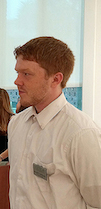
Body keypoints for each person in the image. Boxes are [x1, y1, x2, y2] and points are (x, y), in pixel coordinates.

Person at [8, 37, 101, 208]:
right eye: (17, 73)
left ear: (56, 79)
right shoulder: (16, 124)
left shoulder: (82, 134)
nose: (17, 81)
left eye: (26, 74)